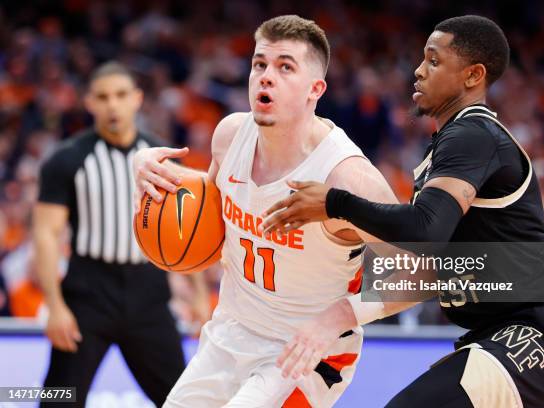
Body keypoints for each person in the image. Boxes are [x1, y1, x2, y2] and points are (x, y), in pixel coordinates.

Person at [262, 15, 544, 408]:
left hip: (541, 329)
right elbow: (423, 260)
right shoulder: (451, 146)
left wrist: (335, 203)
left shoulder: (472, 134)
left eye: (434, 61)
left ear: (473, 75)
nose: (418, 71)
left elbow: (424, 232)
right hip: (497, 331)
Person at [133, 15, 397, 408]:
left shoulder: (347, 176)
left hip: (307, 351)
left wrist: (340, 316)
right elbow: (205, 228)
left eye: (284, 66)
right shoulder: (229, 136)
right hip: (232, 330)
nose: (266, 76)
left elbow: (424, 268)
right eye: (260, 64)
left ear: (315, 89)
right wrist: (154, 175)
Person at [34, 62, 188, 407]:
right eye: (103, 97)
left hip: (148, 292)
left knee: (183, 399)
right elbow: (45, 234)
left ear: (137, 99)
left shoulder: (164, 158)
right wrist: (55, 306)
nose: (113, 105)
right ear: (89, 102)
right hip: (88, 292)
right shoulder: (67, 159)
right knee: (59, 400)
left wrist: (195, 292)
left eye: (121, 95)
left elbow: (187, 230)